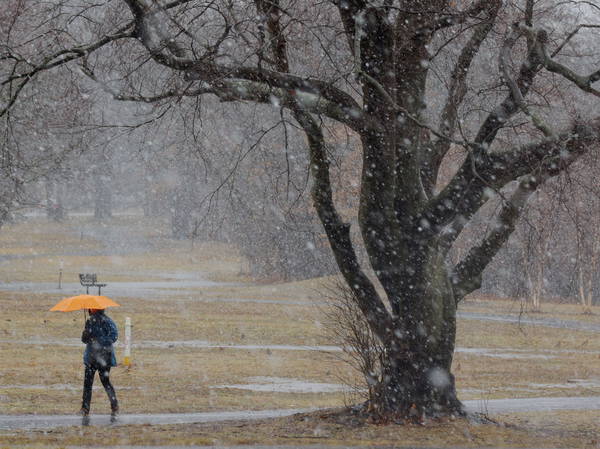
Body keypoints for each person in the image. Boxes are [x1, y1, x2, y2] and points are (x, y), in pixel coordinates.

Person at [80, 308, 119, 420]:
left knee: (96, 383)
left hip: (100, 357)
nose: (89, 310)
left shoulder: (106, 321)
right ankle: (113, 405)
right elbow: (85, 340)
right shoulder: (92, 321)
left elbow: (113, 337)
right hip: (96, 357)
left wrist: (98, 341)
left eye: (91, 308)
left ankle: (86, 409)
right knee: (97, 383)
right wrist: (85, 334)